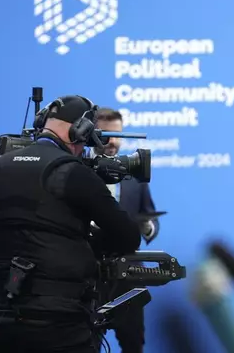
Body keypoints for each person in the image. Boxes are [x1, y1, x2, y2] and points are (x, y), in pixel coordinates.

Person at [0, 96, 141, 353]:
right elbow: (128, 237)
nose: (83, 148)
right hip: (62, 327)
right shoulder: (75, 173)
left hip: (4, 322)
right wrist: (88, 244)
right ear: (80, 131)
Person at [90, 108, 159, 353]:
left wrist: (148, 226)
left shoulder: (134, 173)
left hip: (128, 276)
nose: (112, 141)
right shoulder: (79, 171)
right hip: (88, 275)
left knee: (133, 343)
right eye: (106, 134)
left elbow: (149, 216)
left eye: (117, 134)